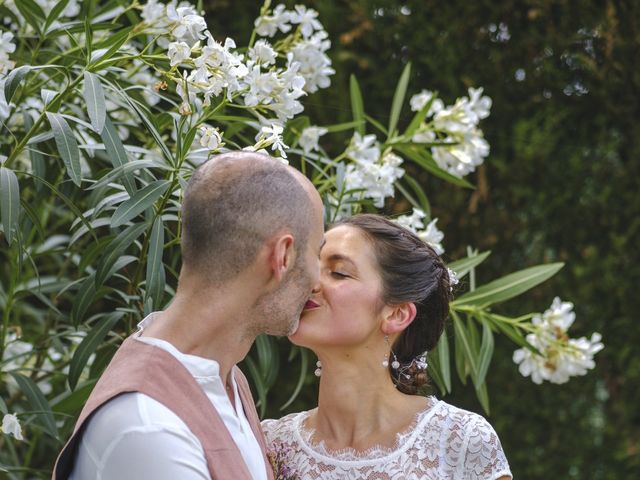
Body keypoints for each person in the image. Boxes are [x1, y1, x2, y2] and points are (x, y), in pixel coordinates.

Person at [53, 152, 325, 480]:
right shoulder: (149, 430)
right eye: (317, 252)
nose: (318, 279)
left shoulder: (226, 379)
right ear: (282, 256)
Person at [262, 214, 512, 480]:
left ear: (397, 315)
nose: (310, 282)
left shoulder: (460, 441)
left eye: (338, 272)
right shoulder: (271, 444)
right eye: (312, 265)